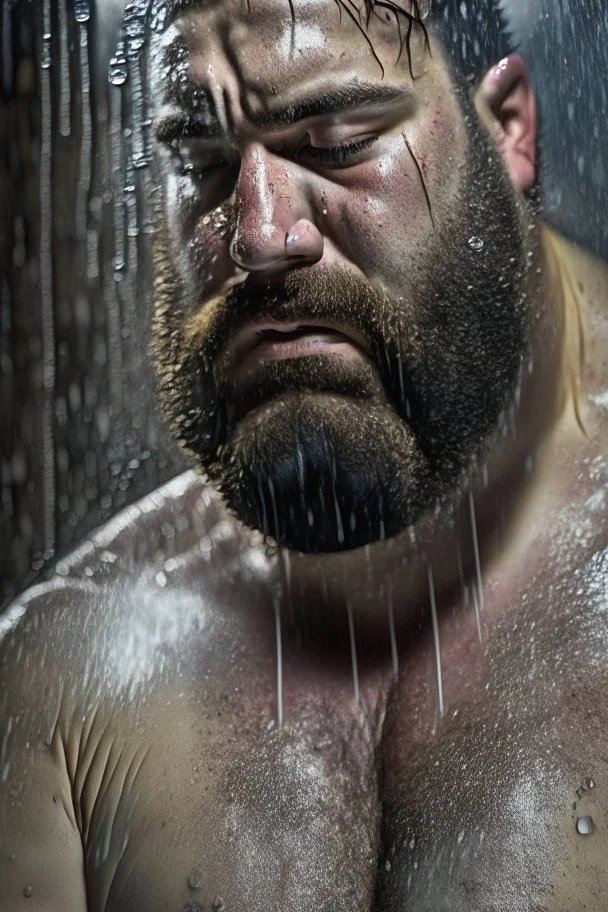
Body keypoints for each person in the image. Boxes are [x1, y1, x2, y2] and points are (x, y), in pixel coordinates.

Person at [2, 0, 607, 908]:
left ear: (509, 128)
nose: (260, 234)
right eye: (202, 165)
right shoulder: (71, 667)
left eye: (333, 143)